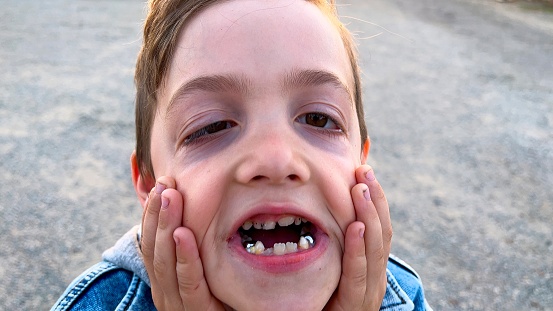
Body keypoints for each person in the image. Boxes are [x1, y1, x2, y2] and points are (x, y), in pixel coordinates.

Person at [51, 0, 431, 310]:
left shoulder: (405, 295)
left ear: (361, 165)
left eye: (319, 118)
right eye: (211, 126)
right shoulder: (96, 303)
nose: (276, 160)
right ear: (150, 186)